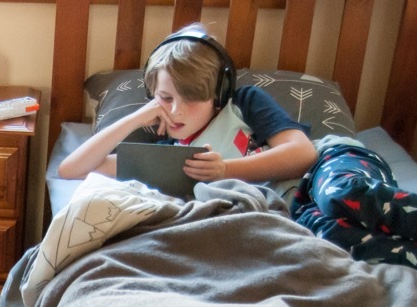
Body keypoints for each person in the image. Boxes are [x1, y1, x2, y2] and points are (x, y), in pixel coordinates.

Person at [57, 24, 316, 191]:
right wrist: (134, 119)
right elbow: (71, 170)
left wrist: (225, 170)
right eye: (165, 98)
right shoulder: (169, 157)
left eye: (191, 98)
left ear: (219, 92)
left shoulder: (244, 103)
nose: (175, 111)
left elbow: (303, 154)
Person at [290, 136, 417, 278]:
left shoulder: (270, 109)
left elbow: (301, 151)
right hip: (299, 208)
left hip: (329, 159)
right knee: (331, 239)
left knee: (342, 193)